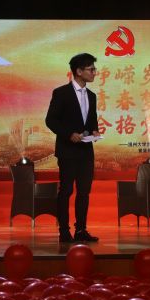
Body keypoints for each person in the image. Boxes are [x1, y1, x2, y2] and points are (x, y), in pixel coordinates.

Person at [45, 53, 100, 243]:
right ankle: (64, 231)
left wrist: (94, 131)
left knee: (84, 192)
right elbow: (51, 120)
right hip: (67, 151)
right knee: (66, 190)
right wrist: (69, 134)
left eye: (94, 69)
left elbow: (91, 120)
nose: (94, 72)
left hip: (86, 151)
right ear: (78, 71)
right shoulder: (61, 93)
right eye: (91, 69)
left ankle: (81, 230)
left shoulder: (92, 96)